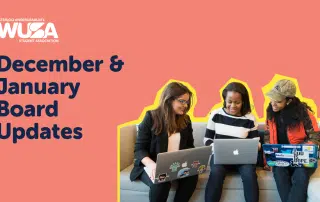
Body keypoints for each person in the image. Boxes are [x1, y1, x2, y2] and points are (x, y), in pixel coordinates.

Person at [130, 82, 198, 202]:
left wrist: (192, 162)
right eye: (182, 101)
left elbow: (189, 146)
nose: (185, 105)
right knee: (162, 181)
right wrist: (152, 165)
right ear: (169, 99)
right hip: (151, 165)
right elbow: (139, 149)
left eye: (187, 102)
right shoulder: (151, 117)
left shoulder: (186, 120)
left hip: (175, 165)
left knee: (192, 176)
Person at [204, 82, 260, 202]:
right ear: (224, 99)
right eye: (229, 101)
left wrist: (255, 146)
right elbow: (207, 139)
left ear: (243, 101)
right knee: (216, 173)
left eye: (237, 102)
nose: (232, 106)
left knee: (249, 174)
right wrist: (217, 148)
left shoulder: (250, 118)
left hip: (243, 159)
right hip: (220, 157)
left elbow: (256, 142)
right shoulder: (216, 114)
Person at [264, 79, 319, 202]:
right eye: (272, 98)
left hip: (303, 158)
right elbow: (267, 139)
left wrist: (300, 152)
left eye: (278, 101)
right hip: (280, 158)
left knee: (300, 175)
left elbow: (315, 138)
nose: (273, 103)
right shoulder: (270, 114)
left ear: (288, 101)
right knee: (279, 172)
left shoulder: (304, 114)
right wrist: (268, 160)